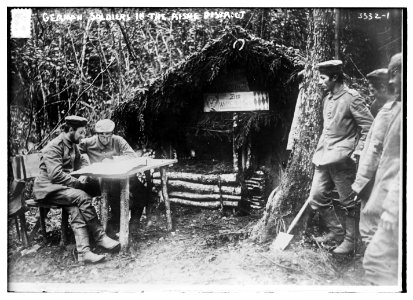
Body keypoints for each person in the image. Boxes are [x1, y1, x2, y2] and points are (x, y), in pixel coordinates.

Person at [33, 116, 120, 264]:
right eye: (80, 132)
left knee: (76, 209)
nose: (83, 136)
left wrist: (84, 174)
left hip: (64, 188)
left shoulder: (72, 144)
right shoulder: (53, 147)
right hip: (48, 189)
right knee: (82, 196)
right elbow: (56, 175)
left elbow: (80, 161)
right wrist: (77, 183)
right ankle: (100, 237)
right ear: (71, 130)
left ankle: (83, 252)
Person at [309, 60, 373, 255]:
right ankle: (337, 233)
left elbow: (369, 127)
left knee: (349, 203)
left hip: (343, 160)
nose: (319, 82)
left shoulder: (352, 98)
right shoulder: (327, 98)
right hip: (323, 157)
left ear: (335, 77)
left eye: (322, 78)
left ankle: (351, 241)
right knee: (317, 197)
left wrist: (358, 150)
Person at [362, 53, 402, 285]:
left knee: (377, 260)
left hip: (389, 194)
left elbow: (381, 153)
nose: (391, 85)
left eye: (393, 79)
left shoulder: (392, 112)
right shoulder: (392, 110)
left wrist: (392, 207)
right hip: (384, 188)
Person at [352, 68, 400, 247]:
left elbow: (375, 148)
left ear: (384, 88)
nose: (371, 91)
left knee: (370, 221)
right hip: (386, 175)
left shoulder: (388, 112)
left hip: (378, 175)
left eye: (373, 88)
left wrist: (361, 182)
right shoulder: (378, 107)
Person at [79, 119, 148, 234]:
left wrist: (113, 160)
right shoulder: (87, 143)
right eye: (102, 136)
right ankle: (113, 224)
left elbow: (133, 156)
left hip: (118, 178)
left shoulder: (118, 140)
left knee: (141, 190)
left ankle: (134, 223)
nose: (106, 139)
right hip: (97, 181)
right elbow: (77, 153)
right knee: (113, 194)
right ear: (97, 134)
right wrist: (85, 163)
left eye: (108, 135)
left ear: (112, 134)